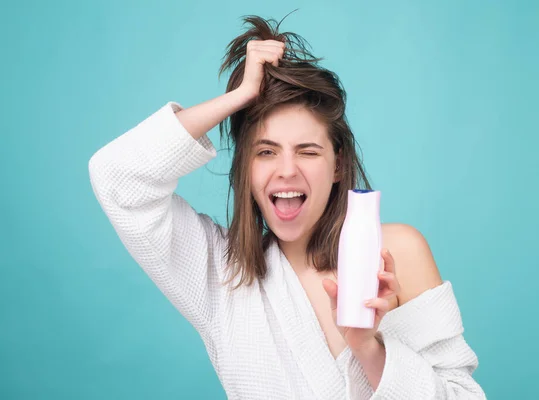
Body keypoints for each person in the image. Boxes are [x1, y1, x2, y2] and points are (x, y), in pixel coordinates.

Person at [89, 15, 486, 400]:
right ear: (245, 168)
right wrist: (238, 98)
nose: (286, 171)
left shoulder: (394, 254)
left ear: (339, 164)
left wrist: (368, 348)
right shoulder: (221, 276)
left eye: (308, 151)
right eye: (265, 151)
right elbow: (117, 177)